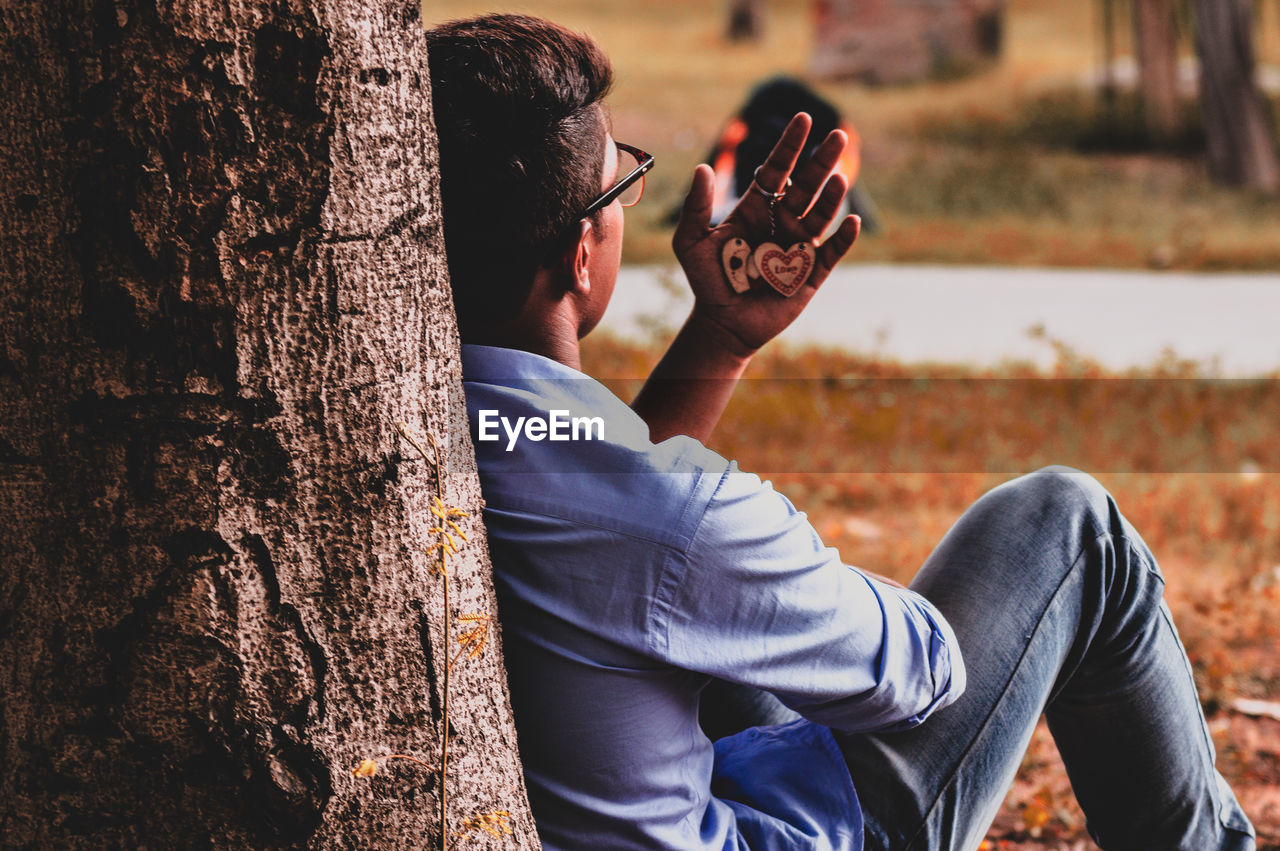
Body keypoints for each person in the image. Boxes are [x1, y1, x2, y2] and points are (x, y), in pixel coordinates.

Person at [424, 13, 1256, 851]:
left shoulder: (424, 434)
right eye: (621, 186)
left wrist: (717, 342)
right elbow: (918, 672)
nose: (627, 206)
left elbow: (608, 526)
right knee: (1072, 525)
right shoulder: (683, 520)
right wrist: (786, 584)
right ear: (579, 251)